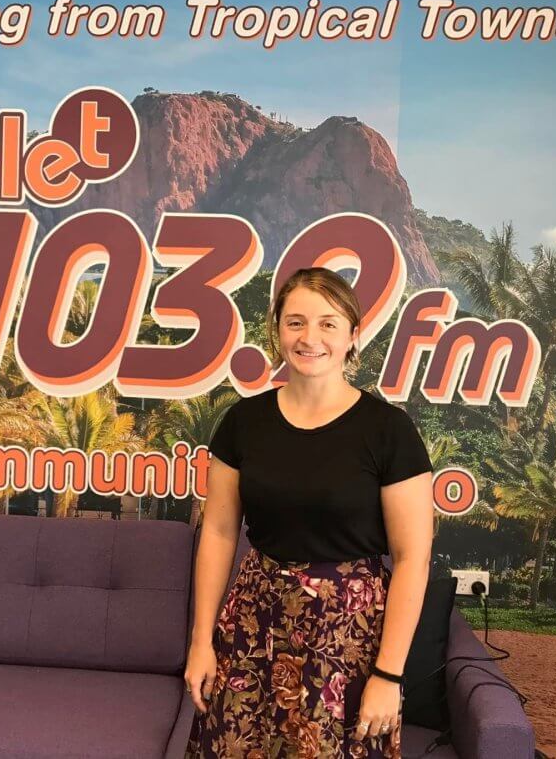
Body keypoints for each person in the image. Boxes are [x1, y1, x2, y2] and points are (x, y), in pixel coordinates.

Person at [183, 267, 435, 758]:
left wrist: (389, 674)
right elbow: (218, 531)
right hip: (253, 625)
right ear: (277, 330)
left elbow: (413, 559)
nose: (309, 337)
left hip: (347, 636)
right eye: (295, 322)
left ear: (352, 335)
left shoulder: (389, 431)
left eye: (327, 323)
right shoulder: (243, 422)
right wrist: (201, 641)